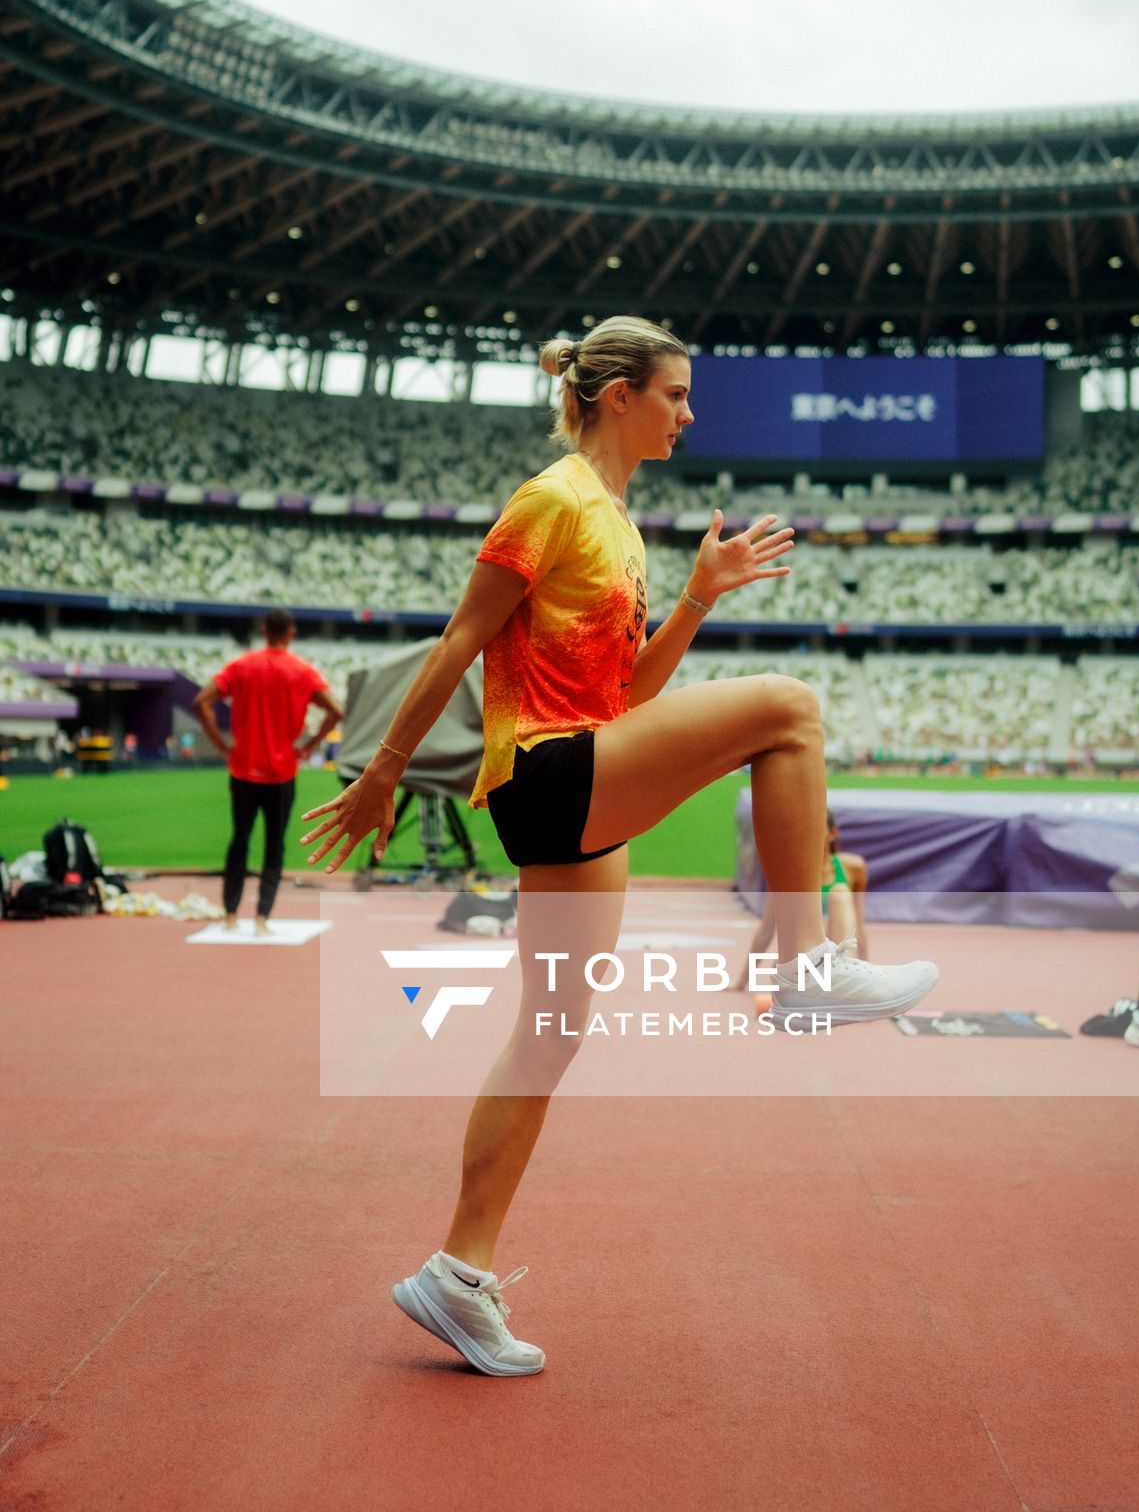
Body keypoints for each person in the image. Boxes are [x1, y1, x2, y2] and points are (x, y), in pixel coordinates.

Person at [300, 316, 939, 1377]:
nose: (688, 415)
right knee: (787, 708)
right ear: (616, 397)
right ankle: (802, 963)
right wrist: (382, 770)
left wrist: (695, 598)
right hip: (545, 777)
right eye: (675, 395)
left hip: (575, 767)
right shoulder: (552, 499)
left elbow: (625, 696)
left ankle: (457, 1277)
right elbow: (460, 639)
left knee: (549, 1032)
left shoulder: (621, 526)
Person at [195, 609, 341, 934]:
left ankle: (231, 915)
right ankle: (262, 919)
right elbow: (336, 710)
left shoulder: (241, 666)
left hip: (243, 769)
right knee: (274, 845)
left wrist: (221, 745)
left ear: (264, 631)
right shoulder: (303, 672)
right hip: (282, 772)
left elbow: (201, 701)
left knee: (239, 841)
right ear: (290, 633)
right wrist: (310, 746)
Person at [734, 807, 869, 989]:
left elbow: (858, 925)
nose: (808, 835)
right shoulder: (786, 873)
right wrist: (742, 981)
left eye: (815, 828)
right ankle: (834, 983)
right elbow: (767, 929)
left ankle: (849, 980)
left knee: (839, 894)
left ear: (832, 834)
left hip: (836, 957)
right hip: (799, 962)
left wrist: (867, 971)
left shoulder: (853, 868)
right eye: (804, 829)